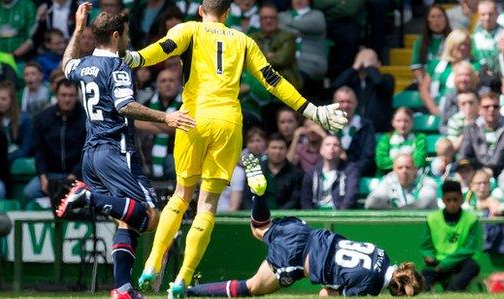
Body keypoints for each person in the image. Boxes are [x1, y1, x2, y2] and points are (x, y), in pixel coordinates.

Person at [121, 0, 348, 295]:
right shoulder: (243, 40)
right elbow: (272, 80)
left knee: (180, 194)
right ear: (227, 14)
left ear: (201, 9)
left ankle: (152, 263)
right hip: (228, 121)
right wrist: (310, 110)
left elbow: (159, 51)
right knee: (207, 204)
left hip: (193, 118)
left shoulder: (188, 29)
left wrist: (131, 59)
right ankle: (183, 279)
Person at [55, 4, 193, 298]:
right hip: (116, 150)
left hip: (91, 152)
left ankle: (122, 289)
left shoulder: (85, 65)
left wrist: (78, 28)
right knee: (150, 216)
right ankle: (89, 197)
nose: (127, 39)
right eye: (126, 34)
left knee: (126, 220)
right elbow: (124, 105)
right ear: (116, 35)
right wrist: (166, 116)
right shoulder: (117, 66)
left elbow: (66, 63)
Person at [186, 153, 425, 297]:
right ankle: (188, 292)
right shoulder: (371, 286)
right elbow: (324, 294)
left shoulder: (381, 252)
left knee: (259, 229)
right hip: (297, 258)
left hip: (305, 233)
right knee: (251, 288)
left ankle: (259, 195)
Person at [24, 79, 85, 203]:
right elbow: (39, 151)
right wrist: (42, 176)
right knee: (30, 191)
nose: (67, 99)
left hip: (78, 175)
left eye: (71, 95)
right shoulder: (43, 118)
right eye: (63, 95)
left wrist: (74, 175)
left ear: (77, 96)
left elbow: (87, 153)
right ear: (56, 95)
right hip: (51, 174)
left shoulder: (86, 119)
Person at [420, 180, 480, 291]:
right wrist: (429, 256)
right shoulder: (432, 219)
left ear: (461, 199)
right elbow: (426, 246)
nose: (452, 203)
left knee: (472, 266)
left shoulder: (471, 219)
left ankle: (452, 290)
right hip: (438, 261)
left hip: (460, 261)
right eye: (448, 200)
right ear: (443, 200)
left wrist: (445, 265)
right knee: (423, 282)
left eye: (455, 200)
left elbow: (468, 248)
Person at [458, 91, 504, 176]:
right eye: (486, 107)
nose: (491, 109)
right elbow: (464, 155)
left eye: (495, 106)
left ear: (499, 108)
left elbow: (502, 152)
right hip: (478, 172)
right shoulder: (471, 128)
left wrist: (489, 169)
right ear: (480, 109)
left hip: (503, 171)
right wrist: (481, 171)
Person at [242, 133, 303, 210]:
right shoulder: (255, 170)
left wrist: (278, 216)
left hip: (286, 218)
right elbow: (247, 198)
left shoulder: (296, 173)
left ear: (286, 150)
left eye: (281, 148)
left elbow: (294, 201)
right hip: (257, 217)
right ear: (266, 150)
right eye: (274, 148)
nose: (277, 152)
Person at [300, 135, 359, 210]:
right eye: (328, 144)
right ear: (321, 150)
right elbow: (305, 201)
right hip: (315, 216)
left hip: (339, 216)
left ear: (341, 150)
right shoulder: (311, 173)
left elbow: (350, 197)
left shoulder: (350, 170)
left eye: (336, 145)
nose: (332, 148)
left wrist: (340, 216)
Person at [365, 154, 439, 210]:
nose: (404, 171)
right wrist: (396, 212)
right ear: (394, 170)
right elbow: (371, 203)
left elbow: (424, 203)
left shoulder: (427, 182)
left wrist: (396, 212)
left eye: (408, 167)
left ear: (415, 169)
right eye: (400, 168)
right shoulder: (388, 181)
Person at [0, 81, 33, 164]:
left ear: (12, 100)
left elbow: (25, 149)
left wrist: (3, 159)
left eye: (3, 99)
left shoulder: (25, 119)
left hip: (19, 162)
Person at [375, 108, 426, 173]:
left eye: (406, 121)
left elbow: (419, 161)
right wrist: (404, 163)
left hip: (412, 177)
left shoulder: (419, 138)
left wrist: (397, 163)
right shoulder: (386, 139)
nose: (402, 124)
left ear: (412, 122)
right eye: (399, 121)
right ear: (393, 122)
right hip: (387, 176)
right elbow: (381, 161)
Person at [411, 5, 451, 85]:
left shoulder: (453, 39)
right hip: (425, 83)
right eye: (432, 17)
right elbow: (417, 68)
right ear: (427, 21)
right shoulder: (420, 42)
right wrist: (424, 85)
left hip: (447, 83)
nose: (436, 20)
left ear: (446, 19)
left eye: (439, 16)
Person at [471, 0, 501, 65]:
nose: (487, 18)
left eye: (490, 14)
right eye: (483, 14)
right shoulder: (473, 38)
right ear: (478, 16)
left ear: (497, 14)